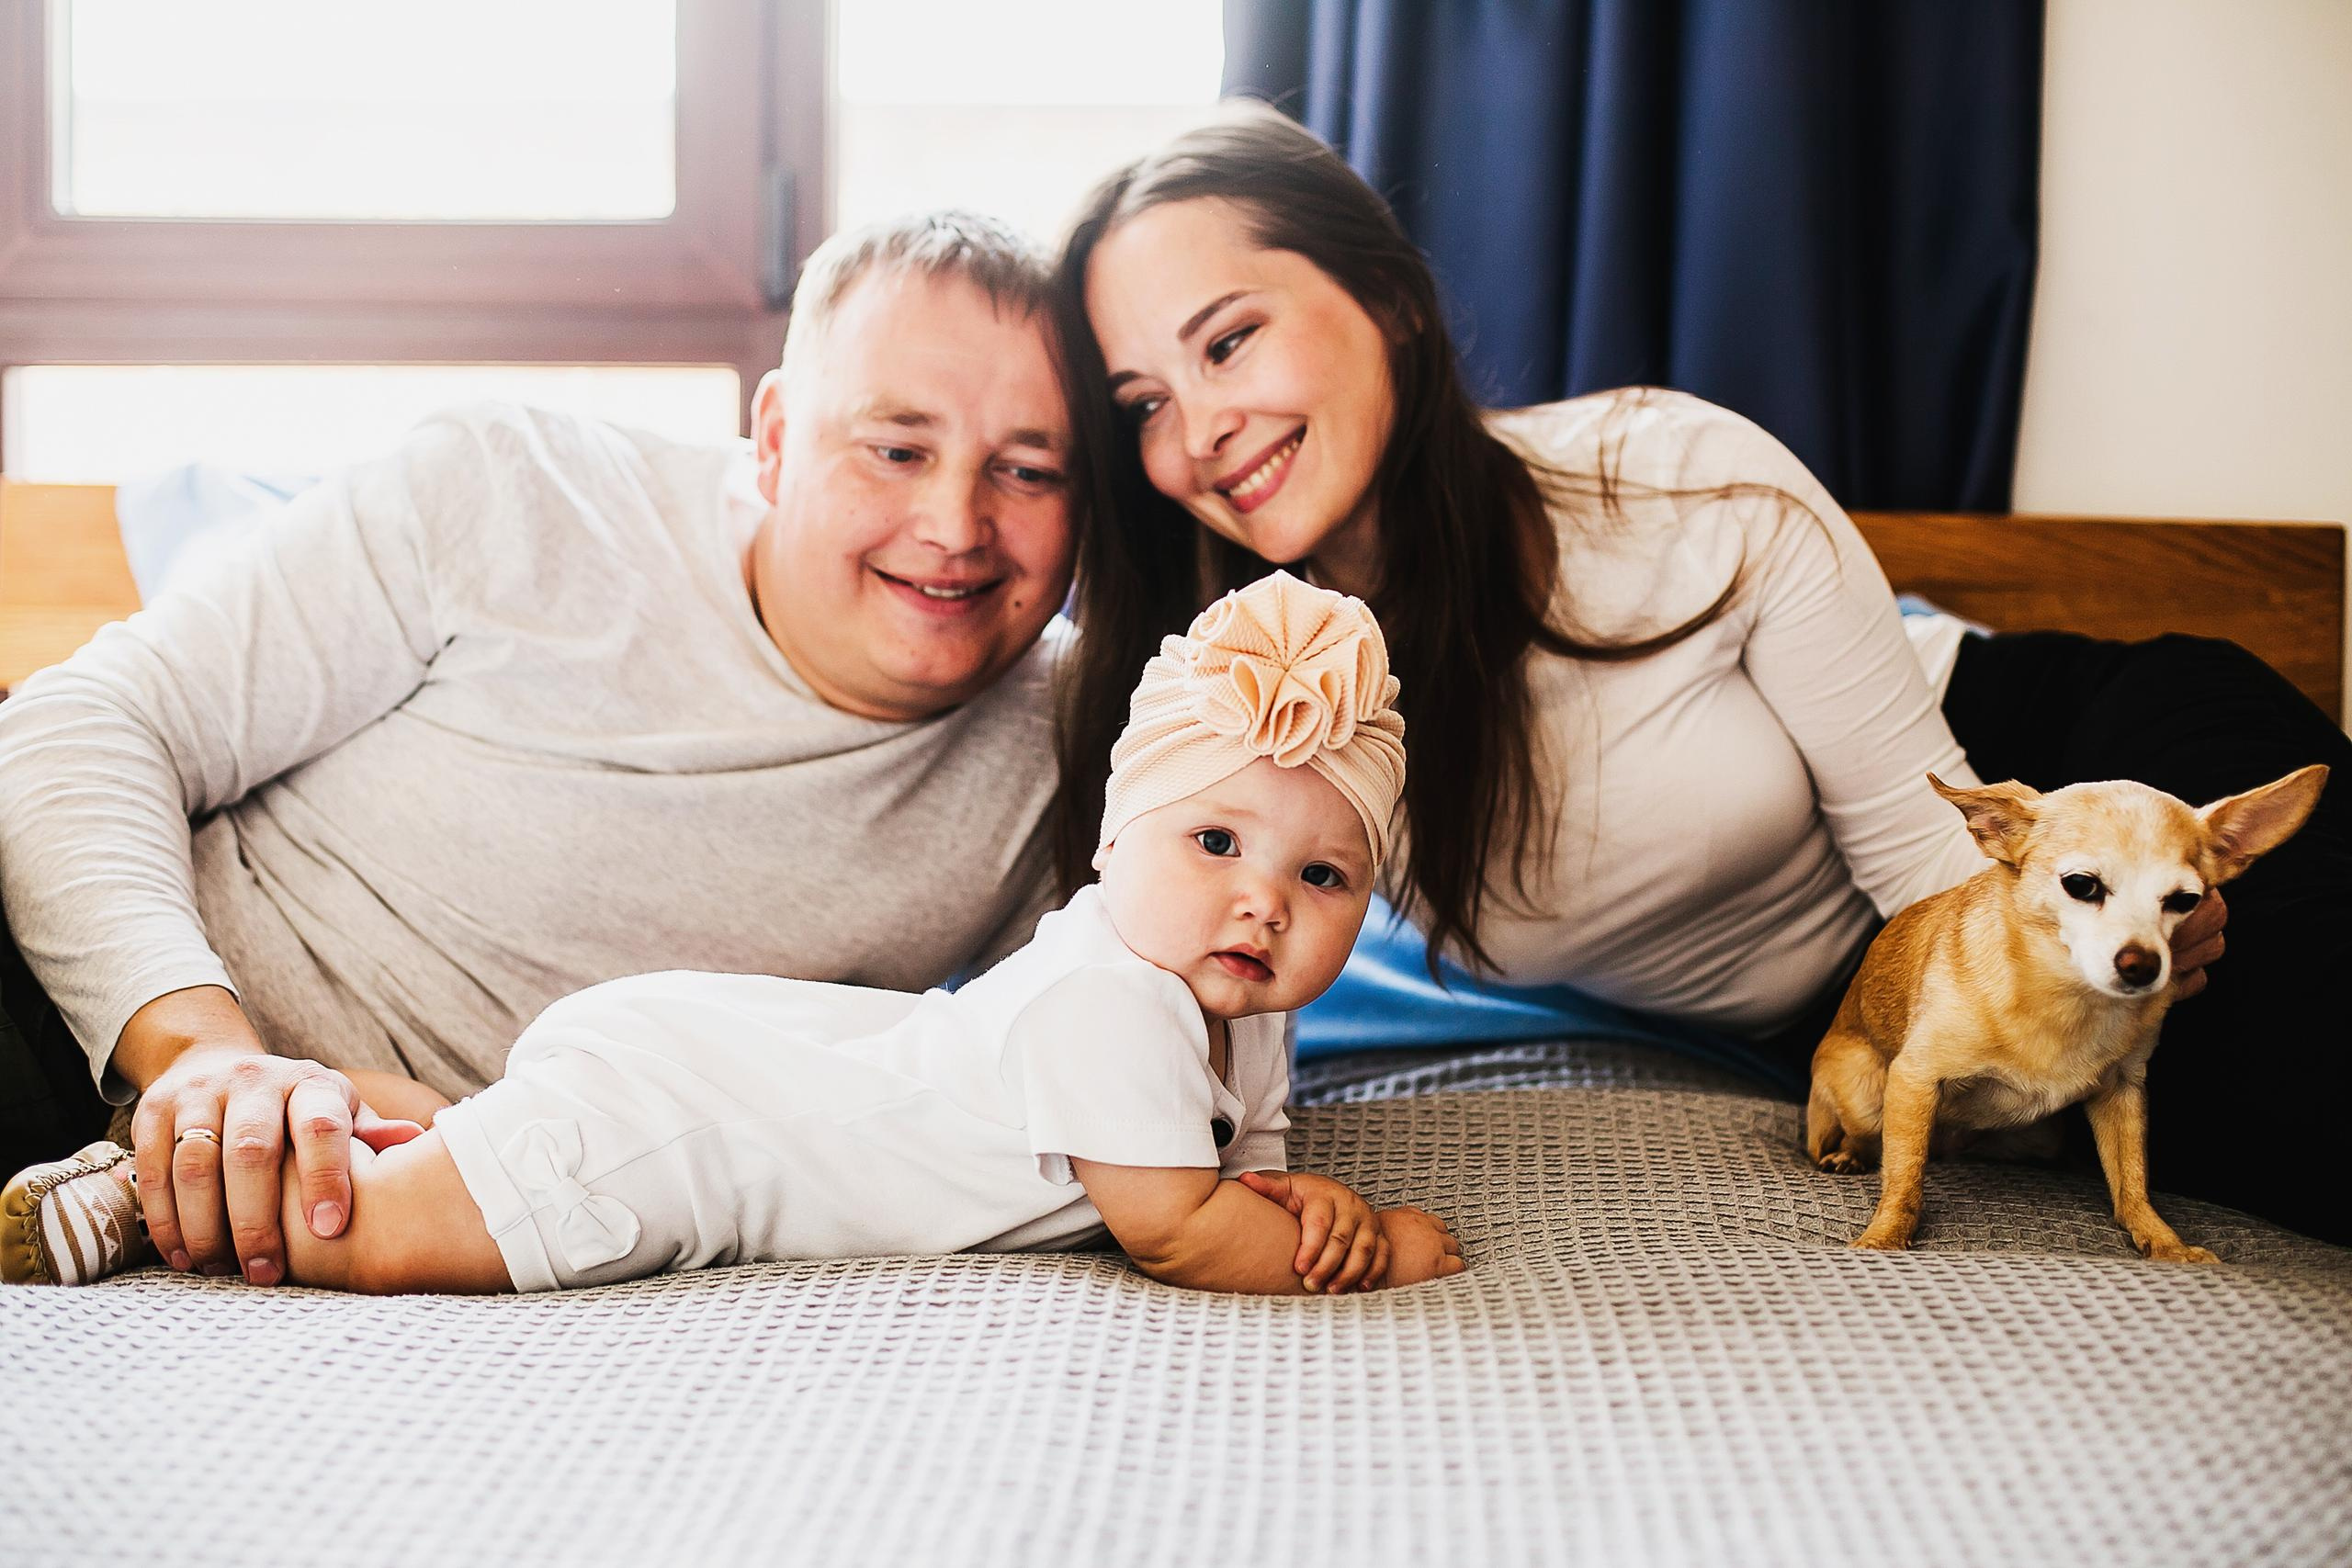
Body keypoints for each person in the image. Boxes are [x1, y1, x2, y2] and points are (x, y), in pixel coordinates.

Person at [1050, 105, 2352, 1244]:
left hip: (2041, 806)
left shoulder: (1672, 479)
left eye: (1226, 343)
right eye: (1143, 403)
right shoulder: (1241, 686)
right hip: (1854, 1006)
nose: (1200, 430)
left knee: (2280, 1085)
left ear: (1389, 296)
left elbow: (1927, 849)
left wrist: (2090, 929)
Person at [0, 211, 1086, 1289]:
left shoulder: (1076, 758)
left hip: (318, 1190)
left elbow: (1041, 1098)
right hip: (63, 980)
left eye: (1029, 471)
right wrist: (201, 1054)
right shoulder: (514, 489)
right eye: (896, 450)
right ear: (776, 437)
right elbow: (83, 720)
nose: (955, 524)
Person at [5, 571, 1465, 1297]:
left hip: (722, 1058)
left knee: (477, 1146)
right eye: (1214, 842)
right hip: (704, 1124)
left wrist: (1302, 1197)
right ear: (1115, 840)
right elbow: (1183, 1224)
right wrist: (1379, 1246)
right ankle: (147, 1194)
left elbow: (1252, 1166)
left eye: (1326, 875)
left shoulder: (1246, 1000)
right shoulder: (1116, 996)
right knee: (390, 1238)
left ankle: (357, 1109)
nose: (1263, 899)